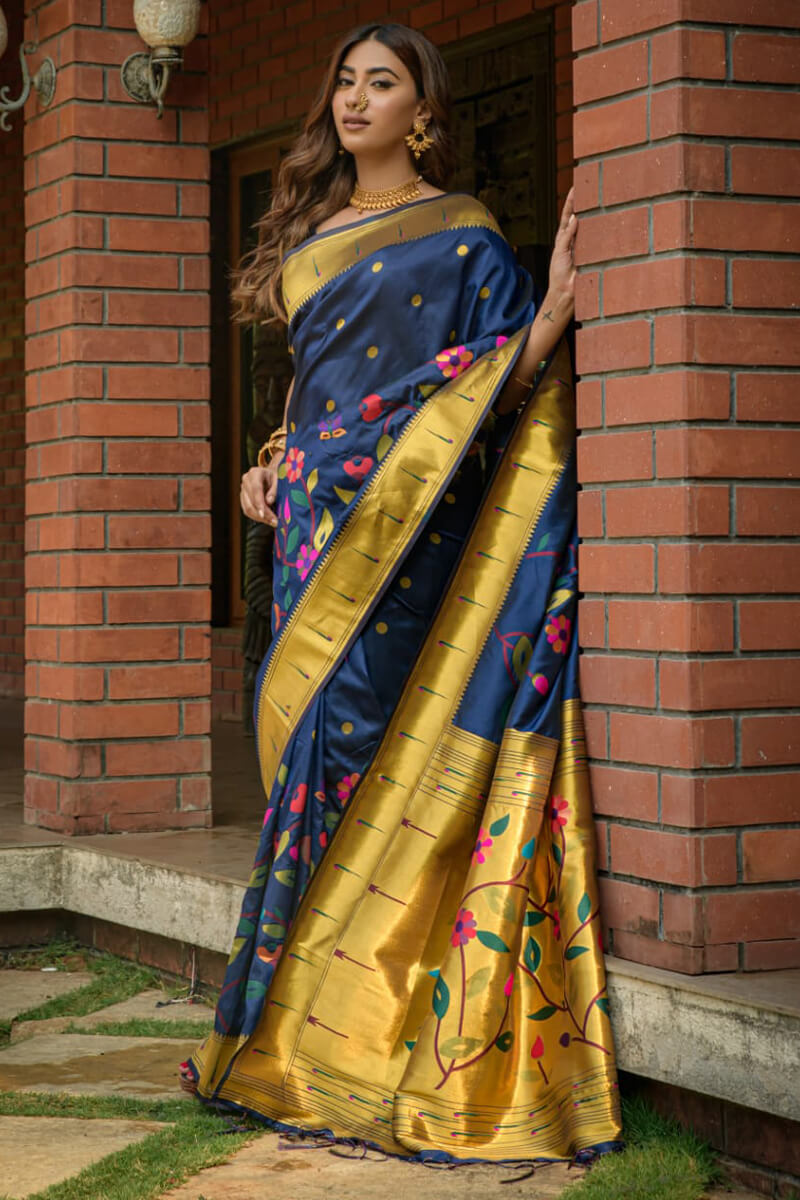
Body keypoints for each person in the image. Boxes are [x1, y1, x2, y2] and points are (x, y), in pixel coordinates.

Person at [181, 21, 623, 1167]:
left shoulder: (465, 234)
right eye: (344, 79)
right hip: (311, 538)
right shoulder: (313, 231)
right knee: (303, 754)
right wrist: (270, 464)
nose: (354, 97)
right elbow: (321, 394)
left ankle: (364, 1035)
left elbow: (487, 387)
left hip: (402, 539)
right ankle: (284, 1030)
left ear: (421, 109)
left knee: (367, 746)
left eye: (381, 82)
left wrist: (552, 312)